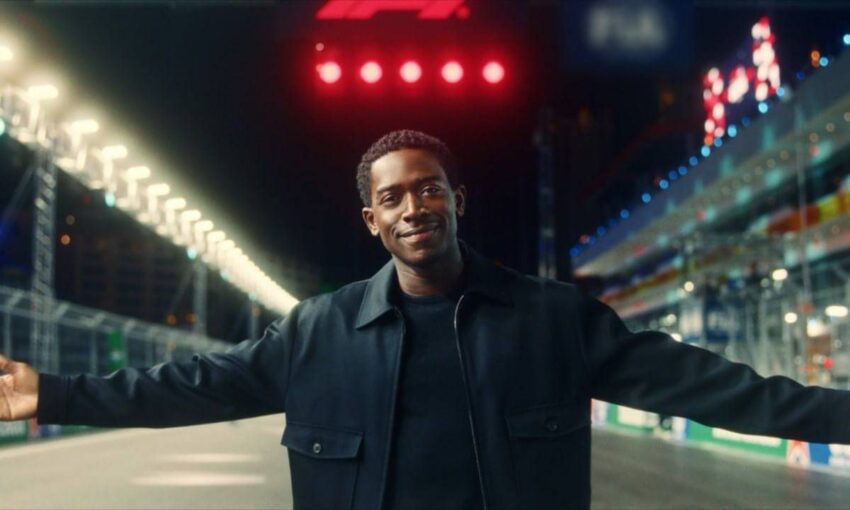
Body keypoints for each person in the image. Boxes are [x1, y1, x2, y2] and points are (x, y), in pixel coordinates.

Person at [1, 129, 850, 510]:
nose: (415, 207)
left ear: (457, 200)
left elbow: (711, 386)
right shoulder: (318, 332)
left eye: (430, 188)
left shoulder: (553, 320)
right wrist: (54, 393)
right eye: (394, 197)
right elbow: (192, 386)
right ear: (372, 219)